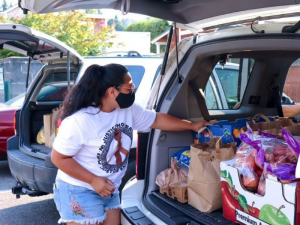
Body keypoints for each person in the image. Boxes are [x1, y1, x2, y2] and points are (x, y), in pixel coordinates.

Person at [51, 64, 209, 225]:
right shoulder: (80, 121)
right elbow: (59, 158)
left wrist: (191, 125)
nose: (133, 91)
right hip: (80, 189)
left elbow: (156, 120)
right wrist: (92, 180)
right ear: (112, 92)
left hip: (109, 189)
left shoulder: (127, 110)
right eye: (130, 88)